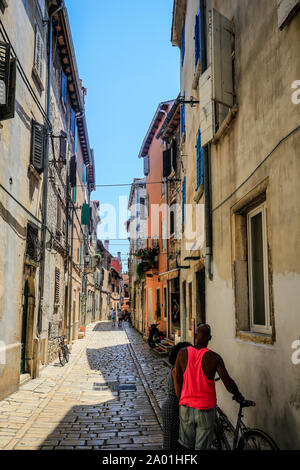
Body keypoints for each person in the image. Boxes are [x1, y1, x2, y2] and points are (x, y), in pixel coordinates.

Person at [173, 324, 244, 450]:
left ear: (195, 336)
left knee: (185, 446)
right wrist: (237, 394)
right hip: (206, 409)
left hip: (186, 407)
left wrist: (181, 399)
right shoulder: (214, 358)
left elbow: (177, 379)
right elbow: (227, 381)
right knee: (203, 447)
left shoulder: (182, 354)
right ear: (210, 338)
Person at [161, 342, 191, 450]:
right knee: (170, 443)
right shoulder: (176, 369)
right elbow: (179, 393)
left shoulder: (179, 367)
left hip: (175, 405)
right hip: (173, 406)